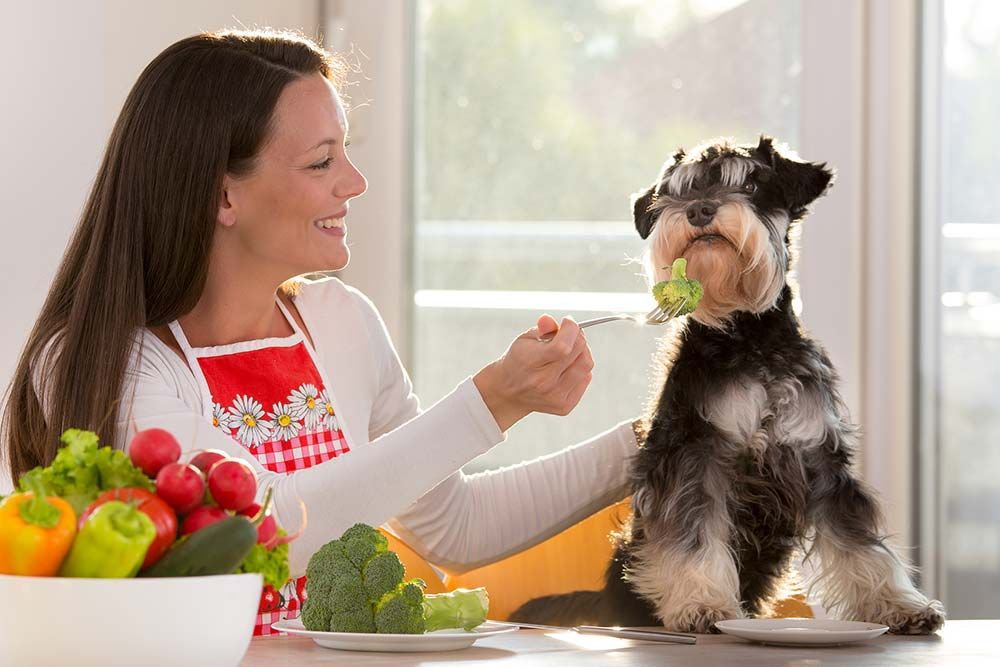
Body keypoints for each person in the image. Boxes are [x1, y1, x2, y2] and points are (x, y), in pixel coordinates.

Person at [0, 29, 639, 634]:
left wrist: (660, 438)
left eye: (347, 151)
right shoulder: (108, 363)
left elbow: (456, 528)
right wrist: (494, 400)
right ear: (223, 196)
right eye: (320, 162)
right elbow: (267, 530)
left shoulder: (343, 322)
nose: (354, 183)